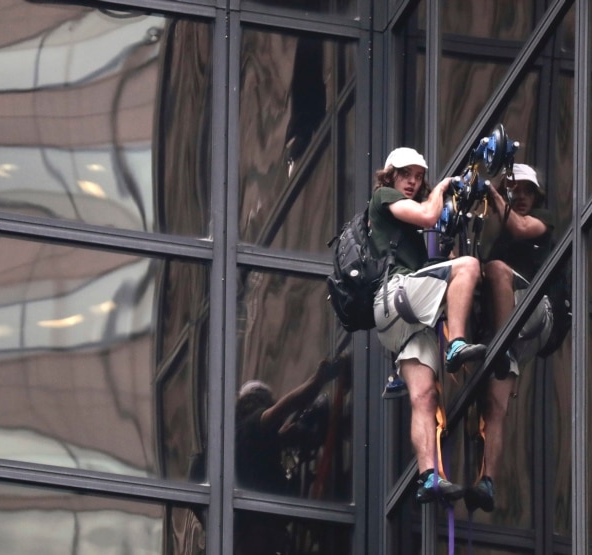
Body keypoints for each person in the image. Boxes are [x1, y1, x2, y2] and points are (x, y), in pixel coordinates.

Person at [369, 147, 487, 504]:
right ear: (390, 175)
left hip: (401, 323)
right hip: (397, 296)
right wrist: (442, 189)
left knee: (425, 396)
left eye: (419, 177)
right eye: (407, 174)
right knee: (468, 268)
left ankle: (428, 476)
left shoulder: (406, 238)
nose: (413, 182)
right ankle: (457, 344)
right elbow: (426, 215)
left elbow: (436, 263)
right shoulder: (383, 197)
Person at [466, 163, 555, 513]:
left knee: (497, 270)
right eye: (514, 189)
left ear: (537, 197)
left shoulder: (542, 219)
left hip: (535, 312)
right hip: (514, 331)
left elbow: (518, 228)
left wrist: (492, 190)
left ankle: (500, 346)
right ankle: (487, 481)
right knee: (496, 405)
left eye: (527, 191)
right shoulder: (498, 234)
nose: (520, 196)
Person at [234, 355, 346, 554]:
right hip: (259, 533)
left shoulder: (240, 444)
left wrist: (284, 437)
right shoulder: (252, 426)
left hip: (255, 534)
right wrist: (319, 379)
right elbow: (286, 406)